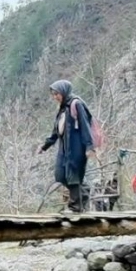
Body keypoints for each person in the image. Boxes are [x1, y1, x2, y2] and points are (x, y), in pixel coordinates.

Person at [39, 80, 96, 213]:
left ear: (64, 92)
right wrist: (45, 146)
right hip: (64, 149)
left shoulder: (76, 104)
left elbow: (85, 126)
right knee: (60, 175)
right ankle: (84, 191)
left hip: (76, 148)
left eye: (56, 94)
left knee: (73, 175)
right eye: (53, 94)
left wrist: (89, 146)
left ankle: (75, 207)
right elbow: (56, 131)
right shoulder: (63, 108)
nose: (55, 97)